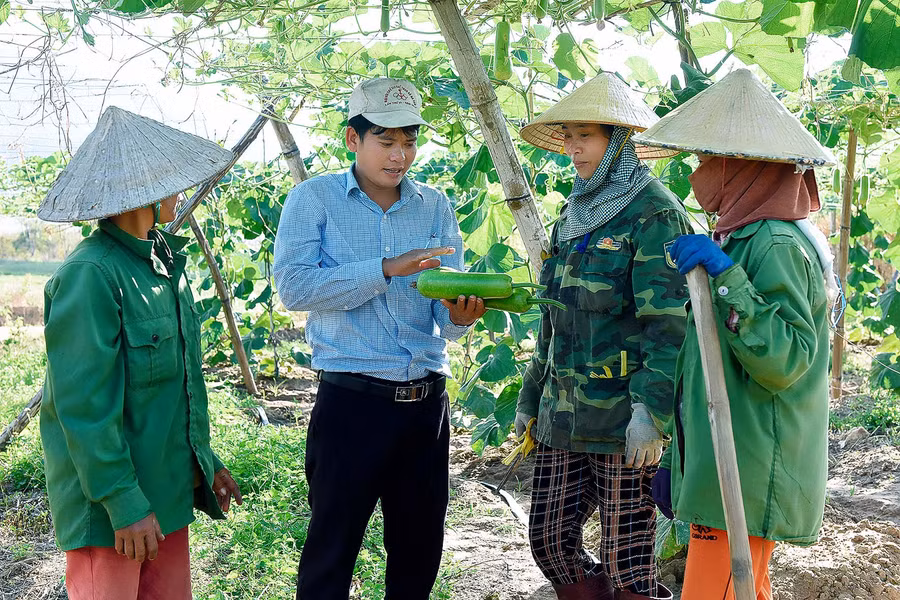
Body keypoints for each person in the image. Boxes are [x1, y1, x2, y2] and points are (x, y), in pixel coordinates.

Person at [273, 77, 487, 600]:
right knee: (331, 553)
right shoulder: (314, 200)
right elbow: (295, 288)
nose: (400, 155)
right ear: (353, 139)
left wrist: (464, 314)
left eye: (409, 141)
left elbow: (447, 321)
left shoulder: (434, 206)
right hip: (352, 403)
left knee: (418, 556)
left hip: (425, 406)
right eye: (386, 142)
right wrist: (386, 268)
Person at [634, 68, 836, 600]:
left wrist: (728, 279)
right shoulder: (743, 235)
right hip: (728, 465)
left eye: (704, 161)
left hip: (749, 469)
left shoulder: (776, 244)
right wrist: (684, 462)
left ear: (739, 166)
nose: (696, 175)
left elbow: (786, 358)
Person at [37, 106, 243, 600]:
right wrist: (123, 502)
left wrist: (204, 461)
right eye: (170, 182)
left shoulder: (161, 263)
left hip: (164, 494)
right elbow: (84, 410)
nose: (179, 191)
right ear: (144, 193)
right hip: (115, 511)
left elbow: (178, 387)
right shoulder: (92, 275)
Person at [516, 72, 691, 600]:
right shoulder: (574, 212)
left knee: (627, 561)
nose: (571, 148)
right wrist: (530, 397)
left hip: (622, 418)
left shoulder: (655, 213)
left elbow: (669, 326)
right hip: (562, 413)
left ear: (617, 141)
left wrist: (651, 414)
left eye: (583, 136)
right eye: (567, 135)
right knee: (549, 541)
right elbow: (554, 318)